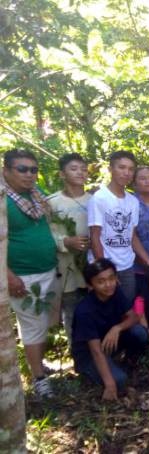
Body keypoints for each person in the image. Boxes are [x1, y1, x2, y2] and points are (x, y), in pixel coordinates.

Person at [2, 148, 59, 398]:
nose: (29, 174)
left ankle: (36, 365)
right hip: (22, 276)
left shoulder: (37, 195)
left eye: (33, 170)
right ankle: (39, 378)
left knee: (42, 323)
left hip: (47, 270)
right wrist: (8, 275)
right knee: (33, 325)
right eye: (22, 169)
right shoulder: (3, 199)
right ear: (6, 170)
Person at [71, 259, 148, 401]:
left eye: (112, 278)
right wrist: (110, 384)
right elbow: (95, 351)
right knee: (119, 381)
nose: (108, 285)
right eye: (101, 281)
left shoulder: (115, 293)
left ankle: (127, 362)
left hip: (110, 343)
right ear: (91, 285)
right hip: (89, 354)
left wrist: (117, 328)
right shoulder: (85, 311)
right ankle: (91, 372)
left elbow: (134, 317)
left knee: (140, 332)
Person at [88, 150, 148, 302]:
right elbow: (94, 236)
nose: (126, 172)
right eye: (121, 167)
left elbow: (132, 236)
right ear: (111, 169)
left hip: (127, 266)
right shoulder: (99, 198)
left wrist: (147, 260)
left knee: (126, 308)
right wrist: (105, 271)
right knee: (105, 311)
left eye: (130, 169)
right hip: (105, 267)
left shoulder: (133, 201)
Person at [46, 153, 91, 341]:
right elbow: (45, 234)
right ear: (62, 174)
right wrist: (65, 241)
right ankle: (77, 356)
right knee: (71, 314)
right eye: (74, 169)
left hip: (90, 266)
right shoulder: (51, 202)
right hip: (66, 268)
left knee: (92, 313)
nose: (80, 173)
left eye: (83, 169)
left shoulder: (95, 199)